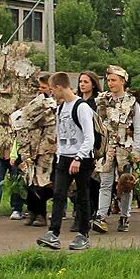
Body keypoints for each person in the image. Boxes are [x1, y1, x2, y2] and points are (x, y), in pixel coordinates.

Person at [38, 72, 98, 251]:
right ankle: (53, 233)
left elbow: (89, 137)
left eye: (52, 90)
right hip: (64, 157)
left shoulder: (81, 107)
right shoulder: (61, 108)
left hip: (82, 158)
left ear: (58, 87)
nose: (51, 94)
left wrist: (78, 158)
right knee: (58, 194)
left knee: (82, 196)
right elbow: (60, 134)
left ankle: (83, 234)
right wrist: (59, 156)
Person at [93, 65, 140, 234]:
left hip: (126, 148)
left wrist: (137, 150)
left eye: (113, 80)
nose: (110, 83)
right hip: (108, 148)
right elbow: (97, 124)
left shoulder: (132, 102)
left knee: (126, 184)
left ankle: (125, 215)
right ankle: (101, 216)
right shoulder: (102, 100)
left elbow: (138, 128)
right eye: (108, 80)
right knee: (105, 183)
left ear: (123, 81)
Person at [10, 74, 57, 229]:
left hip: (48, 149)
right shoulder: (35, 103)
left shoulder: (55, 105)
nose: (40, 90)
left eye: (43, 87)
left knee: (43, 183)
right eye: (39, 87)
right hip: (31, 148)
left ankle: (42, 214)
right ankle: (32, 210)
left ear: (51, 88)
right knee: (30, 180)